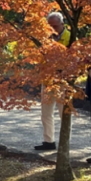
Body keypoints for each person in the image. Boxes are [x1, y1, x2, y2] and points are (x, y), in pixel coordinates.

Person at [34, 12, 71, 151]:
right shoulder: (45, 38)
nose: (53, 29)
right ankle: (49, 141)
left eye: (55, 26)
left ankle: (64, 143)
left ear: (62, 24)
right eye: (50, 26)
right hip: (48, 79)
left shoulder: (69, 37)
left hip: (63, 80)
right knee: (46, 113)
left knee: (64, 113)